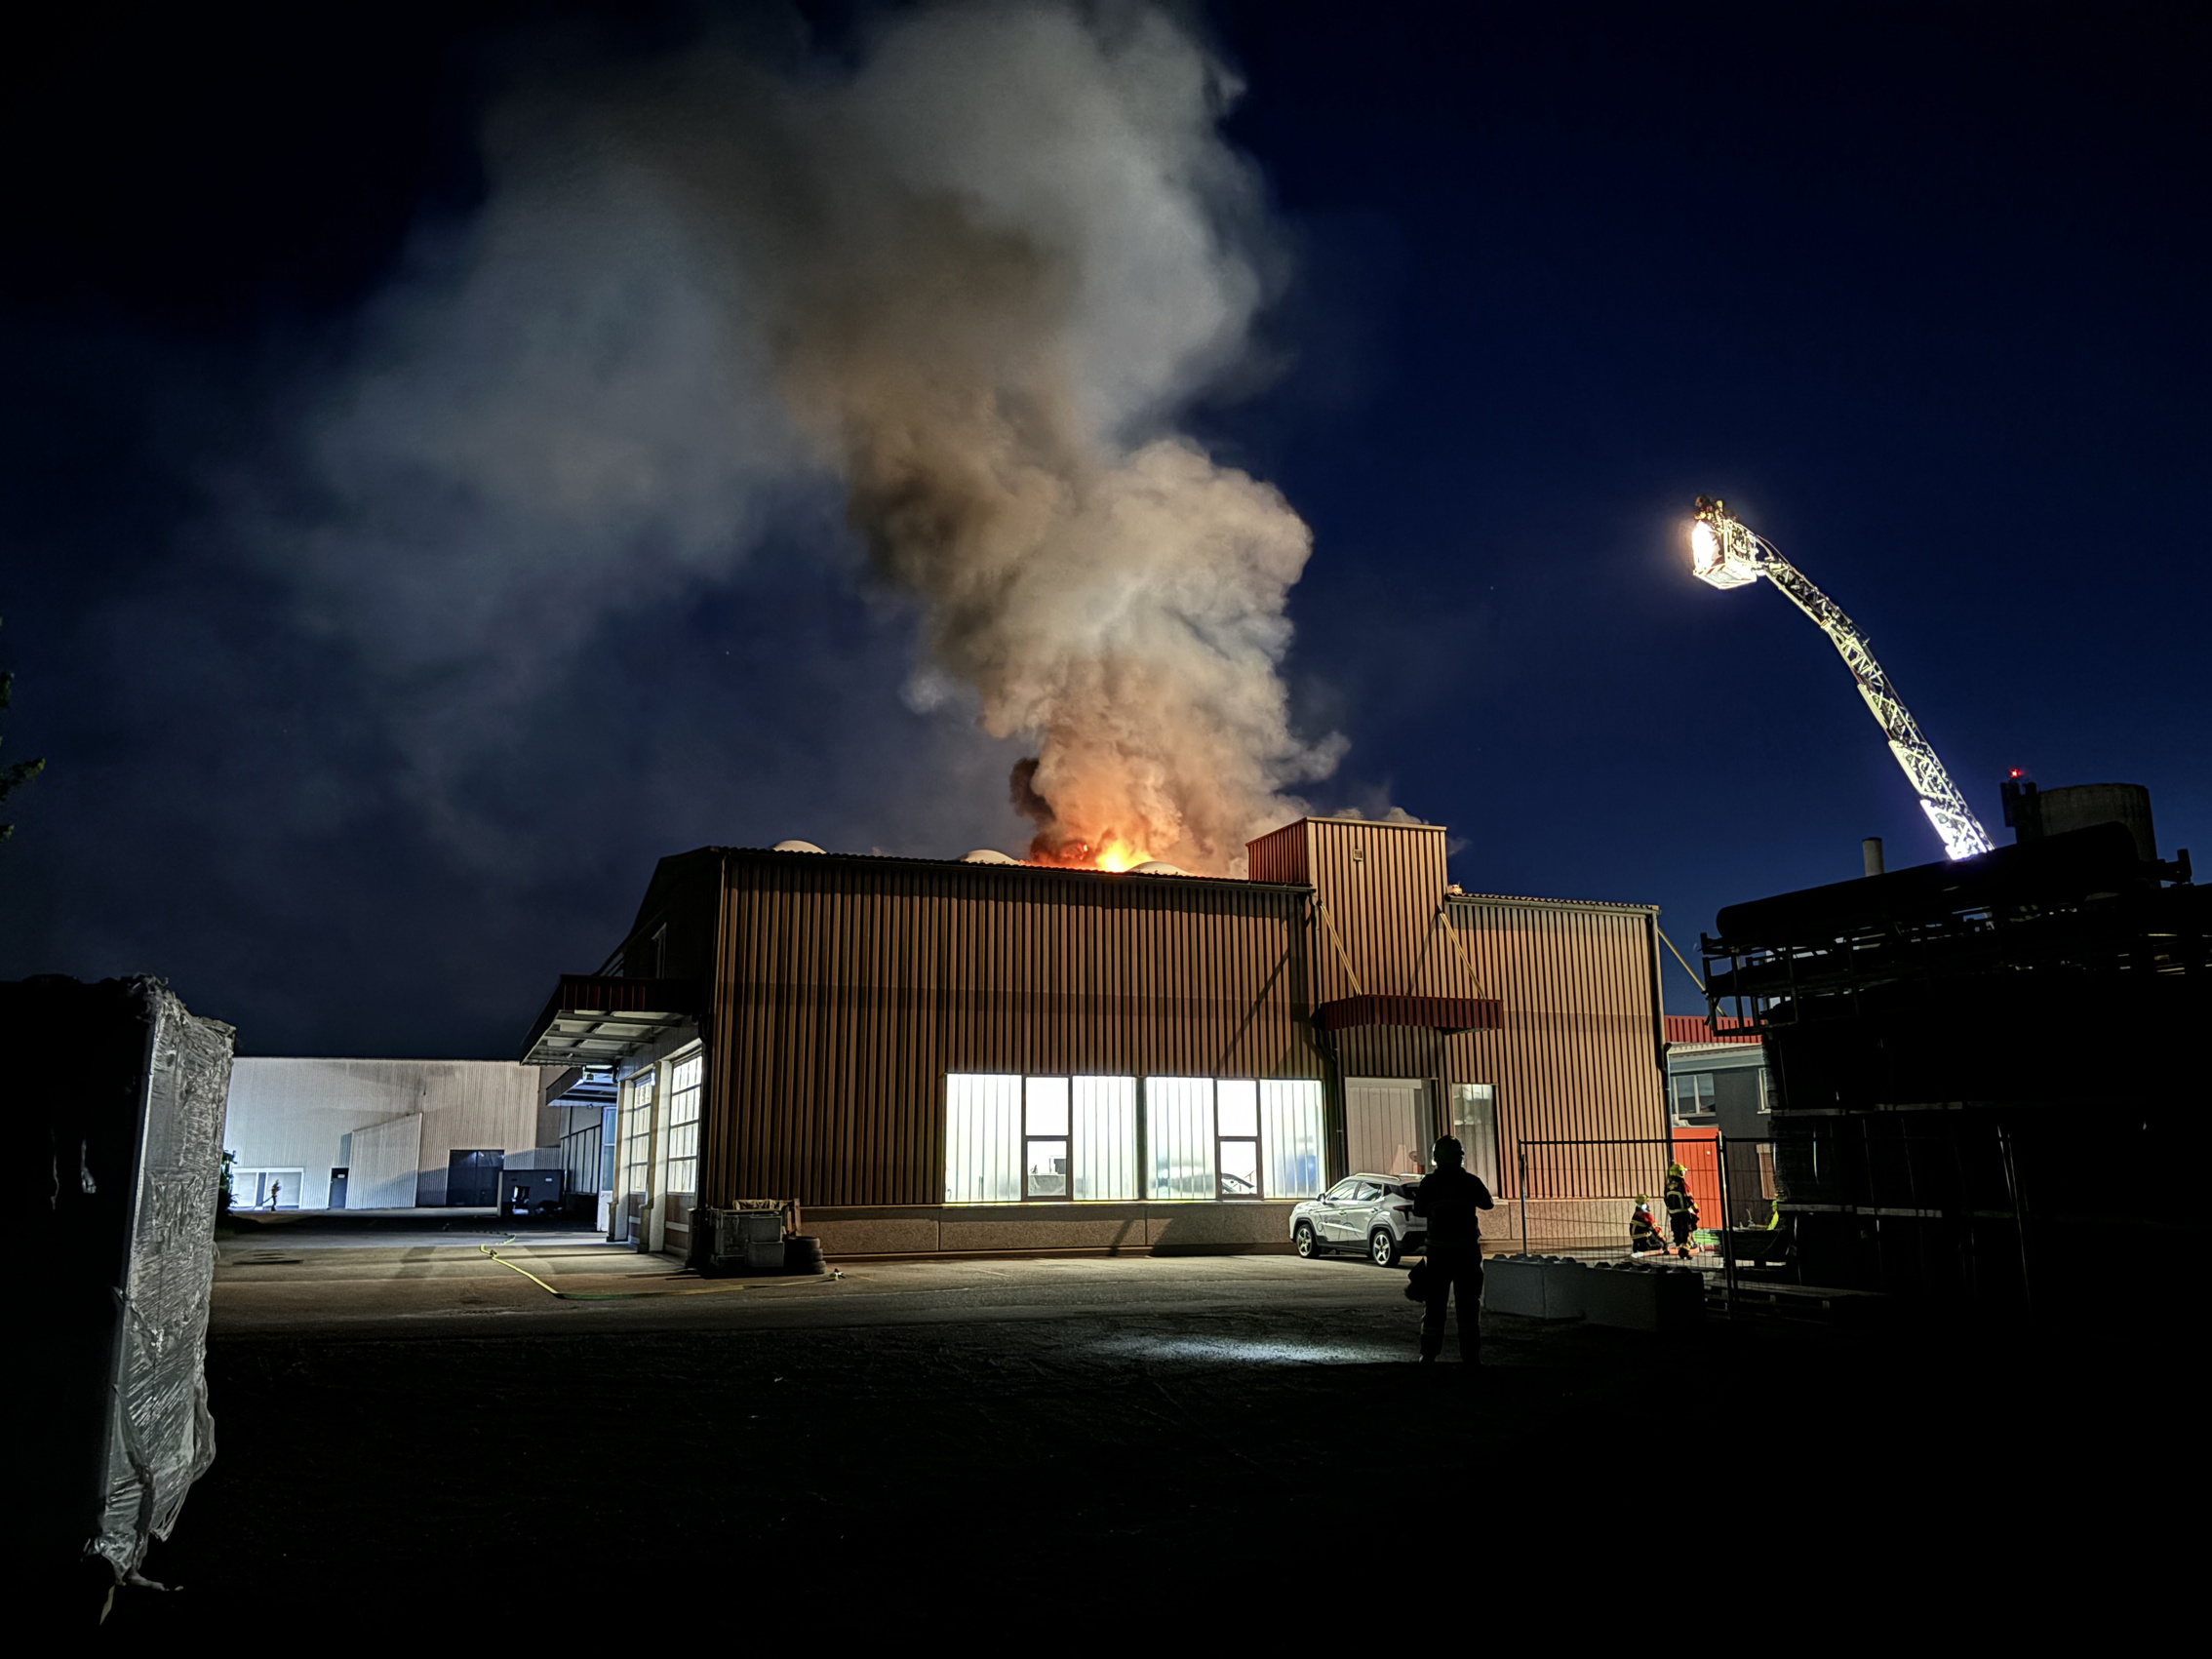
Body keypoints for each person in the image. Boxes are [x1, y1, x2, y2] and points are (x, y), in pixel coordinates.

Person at [1411, 1135, 1494, 1366]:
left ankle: (1428, 1356)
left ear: (1436, 1158)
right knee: (1468, 1308)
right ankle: (1471, 1357)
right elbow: (1487, 1203)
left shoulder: (1429, 1183)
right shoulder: (1470, 1182)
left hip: (1438, 1255)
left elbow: (1418, 1210)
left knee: (1434, 1307)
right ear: (1460, 1157)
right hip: (1466, 1254)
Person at [1662, 1164, 1698, 1257]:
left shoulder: (1668, 1186)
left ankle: (1680, 1247)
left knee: (1677, 1231)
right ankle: (1685, 1250)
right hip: (1684, 1212)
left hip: (1673, 1214)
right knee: (1687, 1230)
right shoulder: (1683, 1185)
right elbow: (1688, 1198)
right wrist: (1695, 1208)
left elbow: (1666, 1199)